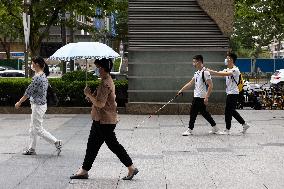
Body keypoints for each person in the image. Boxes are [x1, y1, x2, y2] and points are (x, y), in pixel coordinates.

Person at [70, 58, 138, 180]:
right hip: (100, 119)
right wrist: (91, 96)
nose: (97, 69)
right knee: (92, 145)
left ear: (104, 68)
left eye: (99, 67)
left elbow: (100, 104)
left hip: (104, 121)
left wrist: (89, 95)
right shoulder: (104, 81)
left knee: (113, 145)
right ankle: (84, 170)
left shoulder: (106, 83)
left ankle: (131, 167)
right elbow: (99, 100)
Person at [15, 56, 62, 155]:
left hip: (38, 106)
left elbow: (28, 92)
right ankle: (32, 149)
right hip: (40, 105)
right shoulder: (43, 75)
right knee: (32, 128)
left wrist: (19, 102)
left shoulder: (38, 77)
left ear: (36, 64)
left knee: (38, 129)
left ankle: (56, 142)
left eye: (32, 63)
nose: (31, 65)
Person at [207, 53, 251, 135]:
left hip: (233, 93)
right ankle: (244, 124)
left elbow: (223, 74)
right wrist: (208, 72)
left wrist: (211, 71)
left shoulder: (235, 70)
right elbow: (219, 73)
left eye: (227, 58)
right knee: (231, 111)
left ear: (231, 59)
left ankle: (227, 130)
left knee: (228, 111)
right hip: (230, 93)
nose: (226, 60)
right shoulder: (227, 69)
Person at [178, 55, 221, 136]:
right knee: (204, 113)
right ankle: (215, 128)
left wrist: (206, 97)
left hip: (200, 97)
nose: (193, 63)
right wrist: (181, 90)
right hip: (197, 96)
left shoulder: (205, 72)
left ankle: (190, 130)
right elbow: (190, 83)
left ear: (199, 62)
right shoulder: (197, 73)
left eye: (194, 62)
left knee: (193, 112)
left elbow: (211, 85)